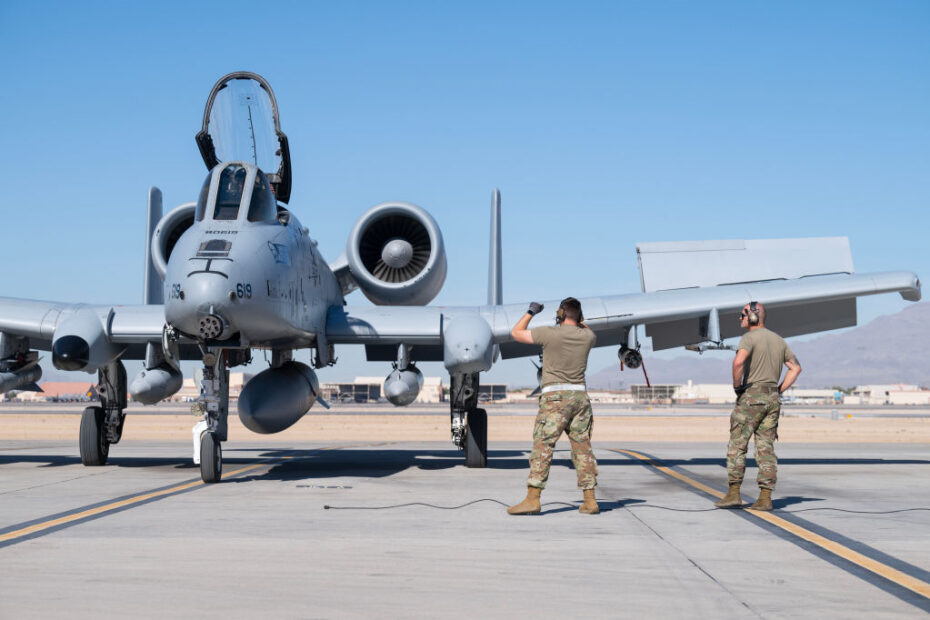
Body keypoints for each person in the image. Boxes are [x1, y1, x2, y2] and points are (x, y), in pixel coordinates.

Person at [507, 297, 599, 515]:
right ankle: (590, 500)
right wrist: (578, 320)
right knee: (582, 449)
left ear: (560, 314)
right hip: (580, 398)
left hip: (555, 398)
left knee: (543, 446)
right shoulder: (588, 336)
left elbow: (516, 332)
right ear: (580, 316)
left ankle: (532, 498)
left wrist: (531, 312)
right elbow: (584, 326)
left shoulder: (548, 333)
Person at [715, 301, 802, 511]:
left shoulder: (749, 338)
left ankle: (734, 493)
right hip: (772, 399)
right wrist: (779, 390)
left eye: (742, 315)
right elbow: (796, 368)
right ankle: (765, 498)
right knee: (765, 448)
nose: (740, 318)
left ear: (752, 316)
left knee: (737, 444)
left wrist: (738, 388)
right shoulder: (779, 340)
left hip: (752, 396)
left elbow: (738, 362)